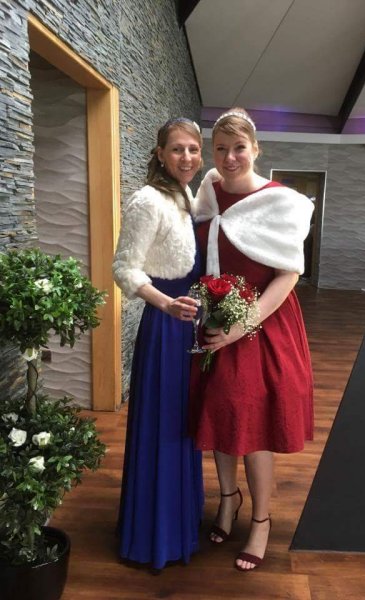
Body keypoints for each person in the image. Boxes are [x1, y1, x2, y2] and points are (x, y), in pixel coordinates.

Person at [189, 108, 314, 571]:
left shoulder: (281, 202)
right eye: (221, 148)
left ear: (256, 149)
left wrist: (242, 326)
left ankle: (261, 520)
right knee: (217, 414)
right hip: (215, 319)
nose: (229, 157)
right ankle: (229, 499)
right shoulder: (208, 190)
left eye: (239, 148)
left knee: (254, 424)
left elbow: (288, 275)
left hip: (262, 322)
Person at [113, 117, 204, 570]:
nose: (186, 157)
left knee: (184, 425)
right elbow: (124, 268)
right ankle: (154, 537)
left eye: (193, 149)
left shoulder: (188, 196)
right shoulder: (148, 200)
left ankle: (181, 525)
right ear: (160, 154)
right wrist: (166, 304)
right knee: (164, 424)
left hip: (190, 325)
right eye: (177, 149)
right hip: (166, 327)